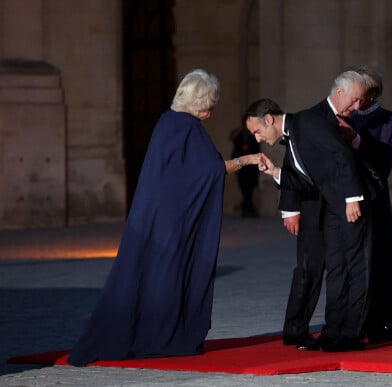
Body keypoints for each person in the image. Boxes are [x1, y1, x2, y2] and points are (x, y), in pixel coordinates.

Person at [68, 69, 262, 366]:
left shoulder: (168, 122)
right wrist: (244, 161)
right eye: (212, 101)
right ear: (202, 102)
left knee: (150, 273)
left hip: (157, 215)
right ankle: (161, 336)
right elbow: (205, 172)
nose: (213, 107)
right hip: (174, 220)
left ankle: (148, 334)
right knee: (167, 275)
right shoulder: (186, 127)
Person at [245, 70, 379, 352]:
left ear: (269, 120)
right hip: (331, 206)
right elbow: (306, 180)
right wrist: (276, 172)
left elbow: (341, 155)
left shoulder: (305, 121)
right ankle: (333, 332)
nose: (258, 138)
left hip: (348, 202)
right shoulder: (293, 135)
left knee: (356, 266)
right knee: (336, 268)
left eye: (257, 131)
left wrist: (352, 198)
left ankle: (352, 334)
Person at [339, 66, 392, 341]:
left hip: (373, 195)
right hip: (347, 192)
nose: (354, 100)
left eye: (359, 94)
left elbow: (383, 159)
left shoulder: (385, 119)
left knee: (379, 256)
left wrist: (355, 139)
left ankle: (385, 317)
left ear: (371, 93)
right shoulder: (346, 115)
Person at [230, 121, 260, 217]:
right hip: (240, 165)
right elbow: (231, 137)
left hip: (251, 166)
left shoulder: (253, 135)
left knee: (250, 188)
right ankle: (248, 208)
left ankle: (247, 208)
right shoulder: (239, 134)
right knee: (243, 187)